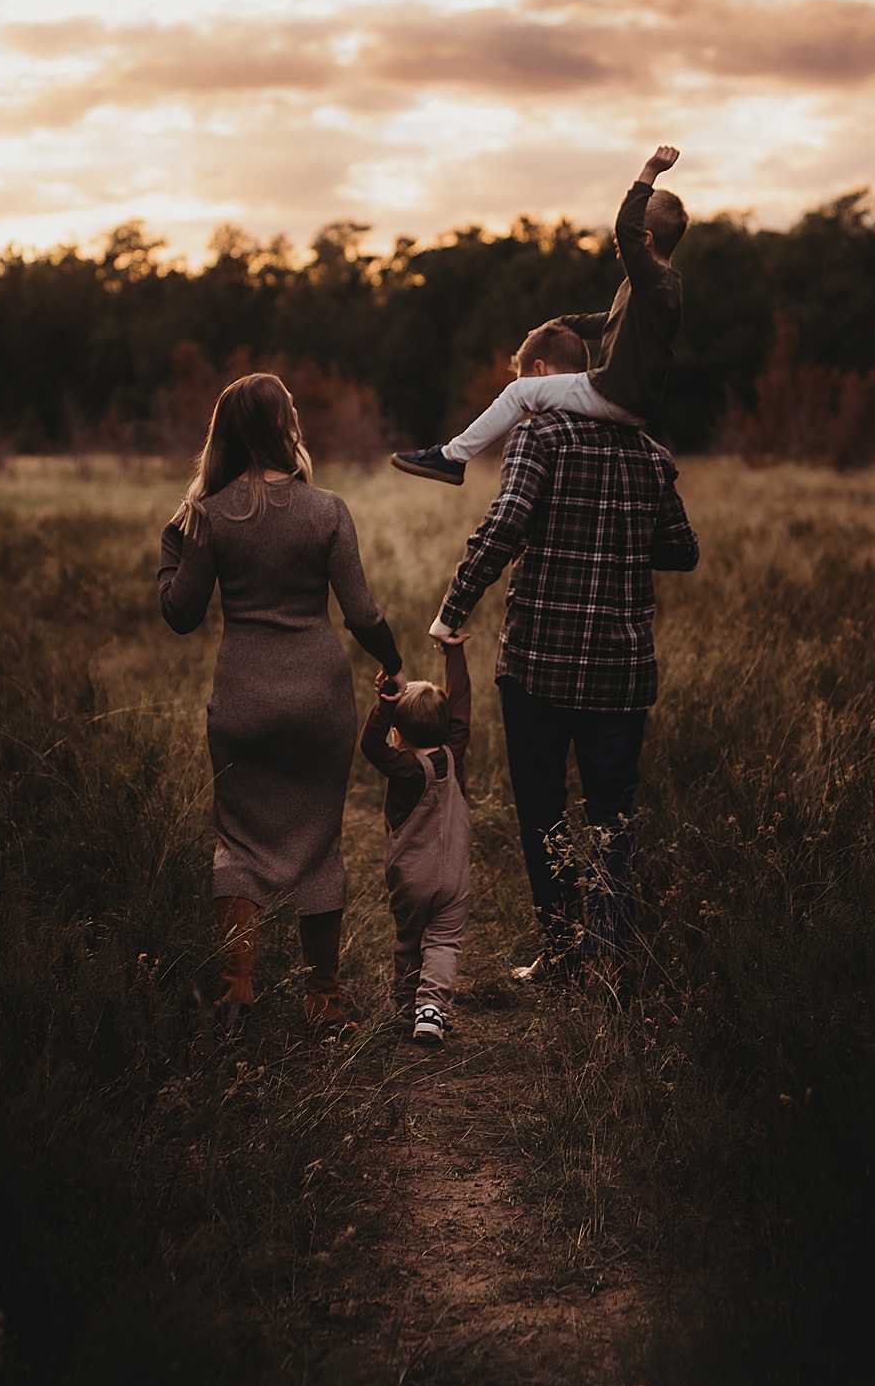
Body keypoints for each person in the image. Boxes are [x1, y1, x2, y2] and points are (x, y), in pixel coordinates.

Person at [157, 372, 404, 1038]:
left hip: (243, 699)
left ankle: (238, 989)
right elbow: (361, 612)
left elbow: (180, 614)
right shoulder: (327, 511)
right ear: (283, 426)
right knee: (319, 843)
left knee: (237, 840)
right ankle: (324, 1003)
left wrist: (169, 551)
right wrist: (392, 661)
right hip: (320, 698)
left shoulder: (208, 515)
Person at [427, 407, 699, 991]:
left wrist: (453, 612)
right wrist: (616, 536)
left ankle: (562, 951)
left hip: (539, 665)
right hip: (620, 671)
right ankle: (605, 957)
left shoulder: (539, 433)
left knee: (543, 807)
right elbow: (682, 548)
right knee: (612, 812)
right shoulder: (650, 451)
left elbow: (505, 524)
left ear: (543, 372)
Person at [391, 145, 687, 485]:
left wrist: (649, 172)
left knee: (521, 392)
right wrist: (561, 323)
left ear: (645, 240)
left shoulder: (652, 280)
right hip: (634, 400)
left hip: (616, 393)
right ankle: (451, 457)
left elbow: (626, 227)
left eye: (626, 239)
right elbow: (610, 322)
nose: (618, 243)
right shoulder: (657, 291)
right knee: (534, 393)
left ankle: (451, 458)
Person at [360, 637, 471, 1047]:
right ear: (445, 727)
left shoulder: (403, 766)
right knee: (444, 940)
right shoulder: (454, 754)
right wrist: (454, 653)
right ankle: (431, 1010)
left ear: (398, 734)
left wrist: (386, 701)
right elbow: (461, 704)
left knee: (410, 938)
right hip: (454, 873)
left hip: (411, 877)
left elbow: (370, 745)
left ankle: (406, 1004)